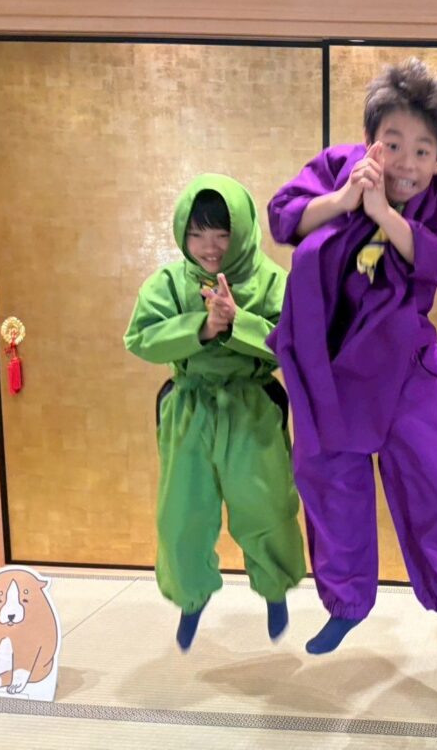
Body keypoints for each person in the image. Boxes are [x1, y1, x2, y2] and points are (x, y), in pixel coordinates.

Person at [266, 58, 437, 655]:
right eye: (393, 145)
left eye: (423, 150)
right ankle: (345, 604)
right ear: (371, 139)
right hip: (325, 360)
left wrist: (383, 216)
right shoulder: (337, 167)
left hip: (404, 362)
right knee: (331, 482)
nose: (407, 163)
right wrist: (345, 198)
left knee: (433, 475)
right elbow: (284, 218)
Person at [124, 174, 306, 651]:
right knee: (182, 513)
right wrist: (202, 328)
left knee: (266, 506)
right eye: (197, 233)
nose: (210, 246)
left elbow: (295, 342)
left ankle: (274, 590)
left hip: (252, 408)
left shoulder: (271, 280)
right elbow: (140, 337)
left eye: (223, 233)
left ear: (241, 231)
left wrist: (238, 323)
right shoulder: (168, 283)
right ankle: (191, 598)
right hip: (189, 409)